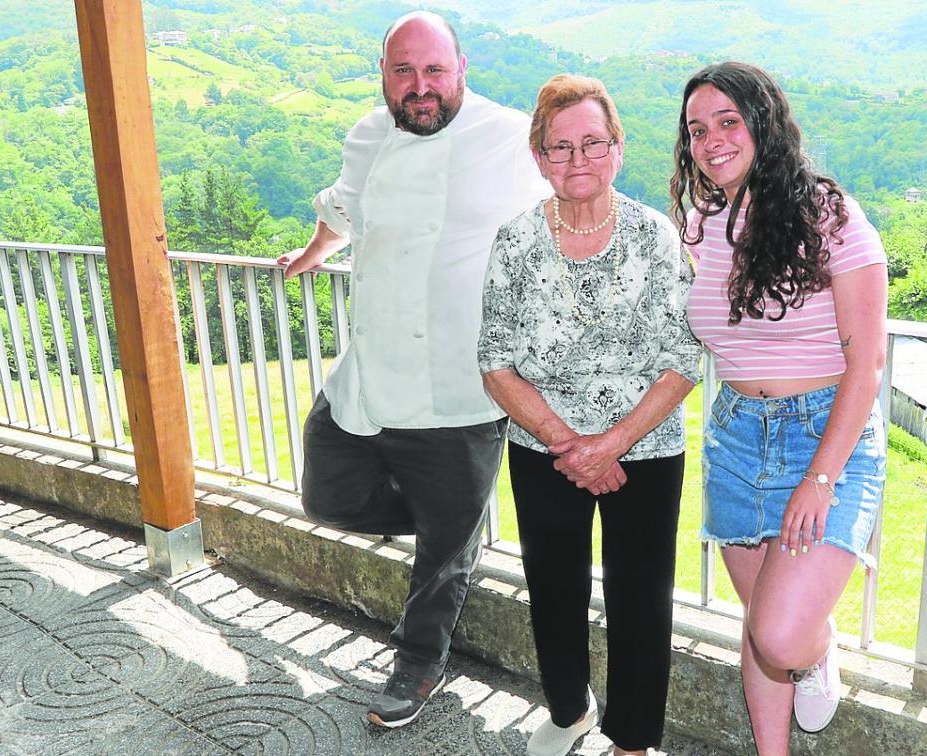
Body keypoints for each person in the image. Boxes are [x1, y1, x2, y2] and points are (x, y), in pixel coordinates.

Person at [275, 11, 550, 729]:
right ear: (385, 78)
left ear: (462, 70)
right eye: (404, 72)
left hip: (463, 388)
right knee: (325, 496)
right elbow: (344, 207)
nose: (420, 87)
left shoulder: (511, 137)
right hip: (372, 374)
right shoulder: (368, 135)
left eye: (433, 71)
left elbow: (579, 202)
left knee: (441, 561)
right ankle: (452, 527)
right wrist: (314, 252)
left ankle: (417, 663)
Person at [478, 74, 701, 756]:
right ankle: (570, 710)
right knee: (552, 586)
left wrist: (612, 444)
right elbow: (494, 360)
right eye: (561, 147)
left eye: (593, 144)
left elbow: (682, 358)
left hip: (647, 444)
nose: (578, 161)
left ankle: (633, 741)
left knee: (641, 598)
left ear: (618, 148)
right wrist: (570, 443)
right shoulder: (515, 241)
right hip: (544, 442)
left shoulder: (656, 236)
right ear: (540, 156)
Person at [672, 62, 888, 753]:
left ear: (763, 121)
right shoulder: (701, 221)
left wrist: (820, 477)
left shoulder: (832, 216)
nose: (712, 140)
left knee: (782, 632)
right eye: (698, 129)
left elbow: (867, 364)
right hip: (736, 437)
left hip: (825, 434)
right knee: (760, 623)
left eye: (728, 121)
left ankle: (817, 647)